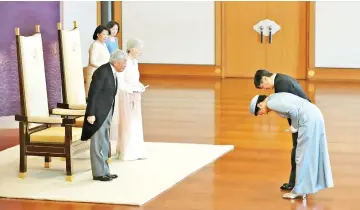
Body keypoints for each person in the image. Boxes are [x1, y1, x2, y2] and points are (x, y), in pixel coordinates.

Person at [249, 92, 334, 199]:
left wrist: (294, 127)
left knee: (301, 156)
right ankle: (303, 188)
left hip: (308, 119)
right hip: (314, 114)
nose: (262, 114)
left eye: (259, 112)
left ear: (259, 105)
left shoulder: (271, 103)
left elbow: (293, 111)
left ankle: (299, 190)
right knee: (309, 153)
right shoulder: (274, 97)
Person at [254, 69, 310, 191]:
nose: (265, 89)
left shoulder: (281, 85)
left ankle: (296, 184)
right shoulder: (283, 79)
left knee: (298, 153)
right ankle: (296, 182)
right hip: (304, 118)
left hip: (303, 120)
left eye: (262, 86)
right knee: (299, 151)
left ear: (264, 78)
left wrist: (294, 127)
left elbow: (291, 108)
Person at [81, 49, 128, 181]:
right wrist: (90, 113)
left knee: (105, 142)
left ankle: (105, 170)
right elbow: (93, 94)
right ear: (116, 61)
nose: (125, 64)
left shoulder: (111, 72)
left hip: (106, 112)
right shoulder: (102, 72)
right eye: (124, 62)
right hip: (97, 114)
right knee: (97, 143)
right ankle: (98, 173)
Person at [110, 38, 147, 161]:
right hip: (126, 95)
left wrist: (139, 85)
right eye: (138, 48)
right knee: (128, 123)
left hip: (135, 95)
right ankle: (126, 151)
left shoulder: (135, 62)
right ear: (131, 48)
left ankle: (137, 150)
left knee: (136, 122)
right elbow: (120, 81)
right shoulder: (124, 61)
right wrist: (131, 89)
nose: (140, 51)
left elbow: (134, 79)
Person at [85, 25, 111, 97]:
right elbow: (92, 62)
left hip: (102, 73)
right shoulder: (95, 45)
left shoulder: (104, 44)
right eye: (103, 34)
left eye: (107, 34)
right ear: (98, 35)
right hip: (95, 73)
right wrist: (105, 67)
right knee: (94, 96)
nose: (106, 36)